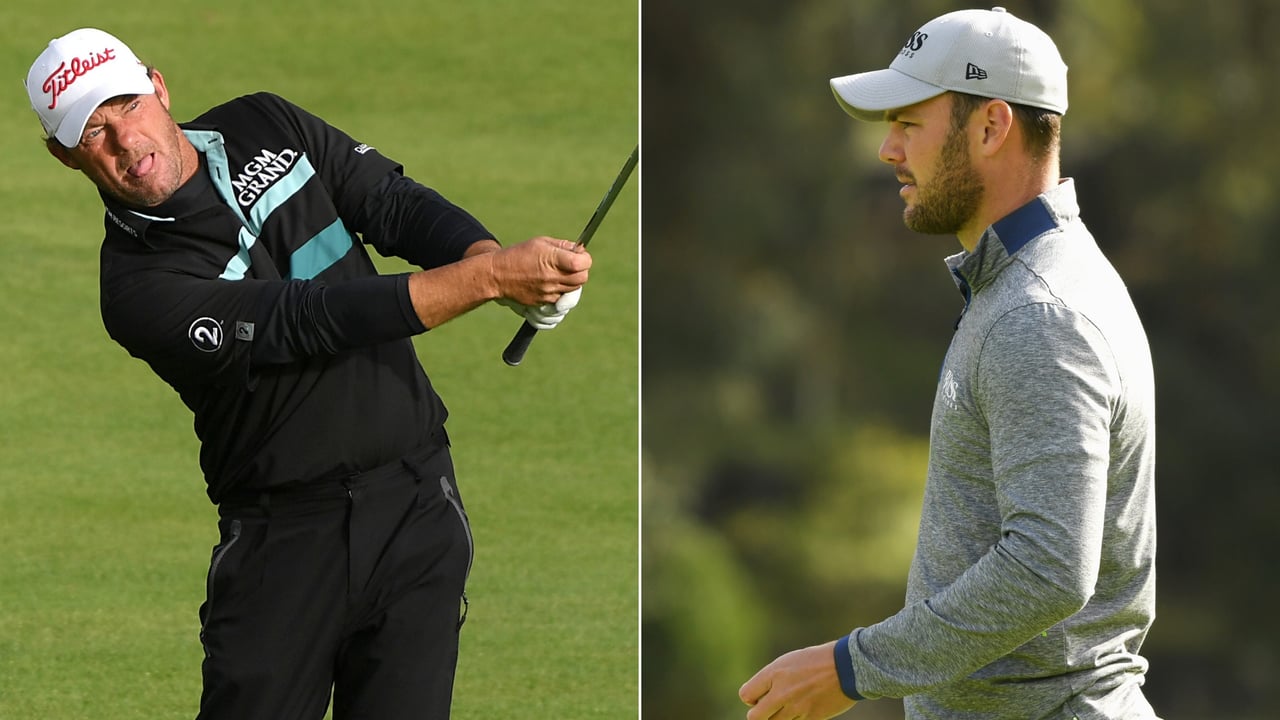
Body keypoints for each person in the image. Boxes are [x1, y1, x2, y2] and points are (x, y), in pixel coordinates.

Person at [26, 27, 591, 720]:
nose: (126, 142)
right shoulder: (138, 290)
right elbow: (310, 319)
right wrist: (492, 279)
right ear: (63, 155)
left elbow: (390, 202)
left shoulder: (265, 121)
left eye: (128, 106)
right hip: (283, 543)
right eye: (94, 133)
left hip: (418, 502)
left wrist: (493, 264)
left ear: (159, 88)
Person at [739, 7, 1159, 720]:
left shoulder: (1039, 314)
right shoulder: (1026, 285)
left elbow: (1049, 567)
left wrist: (850, 667)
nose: (887, 150)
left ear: (991, 127)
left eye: (908, 123)